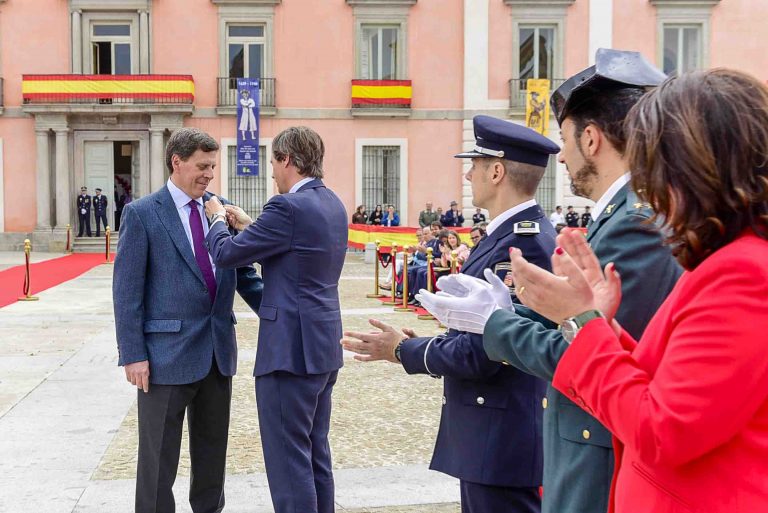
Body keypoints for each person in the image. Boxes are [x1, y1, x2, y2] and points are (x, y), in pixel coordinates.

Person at [416, 49, 682, 513]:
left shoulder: (633, 223)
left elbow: (588, 349)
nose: (560, 159)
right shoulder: (621, 216)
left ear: (592, 139)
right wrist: (517, 309)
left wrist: (494, 322)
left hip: (598, 450)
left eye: (566, 139)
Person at [505, 68, 768, 513]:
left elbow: (665, 430)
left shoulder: (743, 272)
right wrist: (598, 323)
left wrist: (582, 322)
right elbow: (672, 381)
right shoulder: (730, 261)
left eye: (653, 160)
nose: (646, 177)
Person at [342, 115, 560, 513]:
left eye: (474, 164)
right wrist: (422, 343)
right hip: (492, 432)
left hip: (500, 437)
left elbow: (488, 351)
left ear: (496, 171)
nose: (467, 173)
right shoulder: (508, 236)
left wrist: (402, 351)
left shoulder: (521, 245)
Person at [113, 127, 263, 513]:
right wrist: (133, 354)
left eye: (212, 166)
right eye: (202, 166)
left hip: (217, 354)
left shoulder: (223, 209)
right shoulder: (143, 213)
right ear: (176, 162)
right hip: (164, 358)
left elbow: (245, 275)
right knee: (157, 463)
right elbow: (127, 292)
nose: (209, 174)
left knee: (212, 458)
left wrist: (281, 316)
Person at [205, 126, 347, 513]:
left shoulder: (286, 207)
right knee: (316, 453)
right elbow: (295, 251)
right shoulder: (331, 202)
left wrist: (217, 219)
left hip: (289, 351)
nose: (271, 171)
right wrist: (252, 225)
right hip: (322, 347)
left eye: (273, 162)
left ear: (287, 160)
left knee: (288, 463)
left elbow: (227, 254)